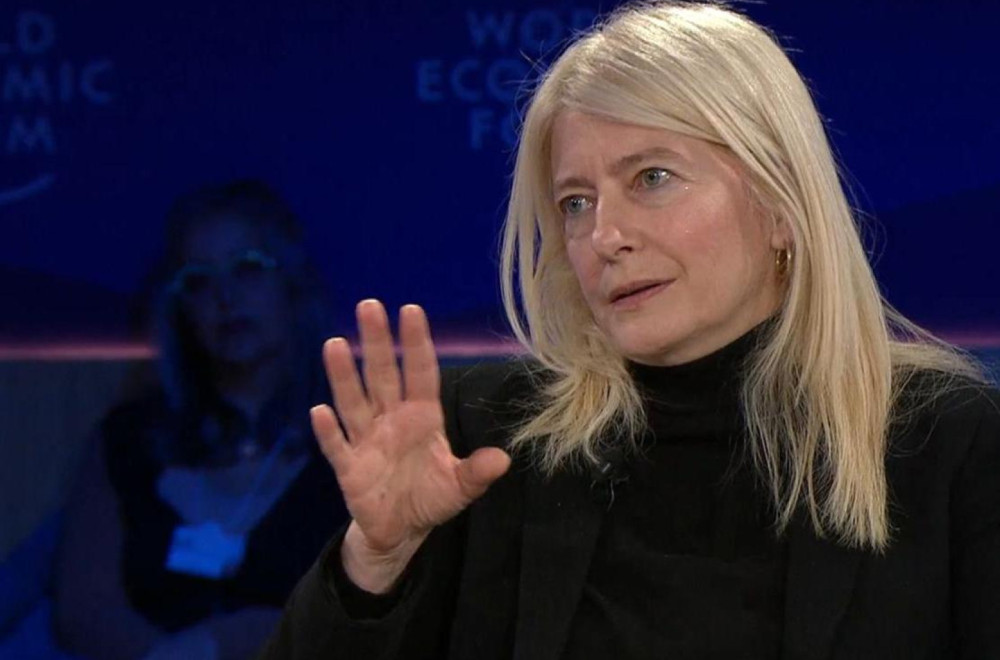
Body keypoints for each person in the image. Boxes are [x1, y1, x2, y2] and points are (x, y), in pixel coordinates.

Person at [260, 3, 1000, 658]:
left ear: (781, 205)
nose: (604, 236)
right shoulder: (483, 443)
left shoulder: (945, 443)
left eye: (651, 178)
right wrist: (375, 563)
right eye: (576, 202)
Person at [53, 180, 348, 660]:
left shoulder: (355, 436)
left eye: (247, 268)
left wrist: (225, 642)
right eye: (199, 280)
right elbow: (84, 611)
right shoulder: (129, 439)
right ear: (181, 309)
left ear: (292, 285)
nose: (225, 297)